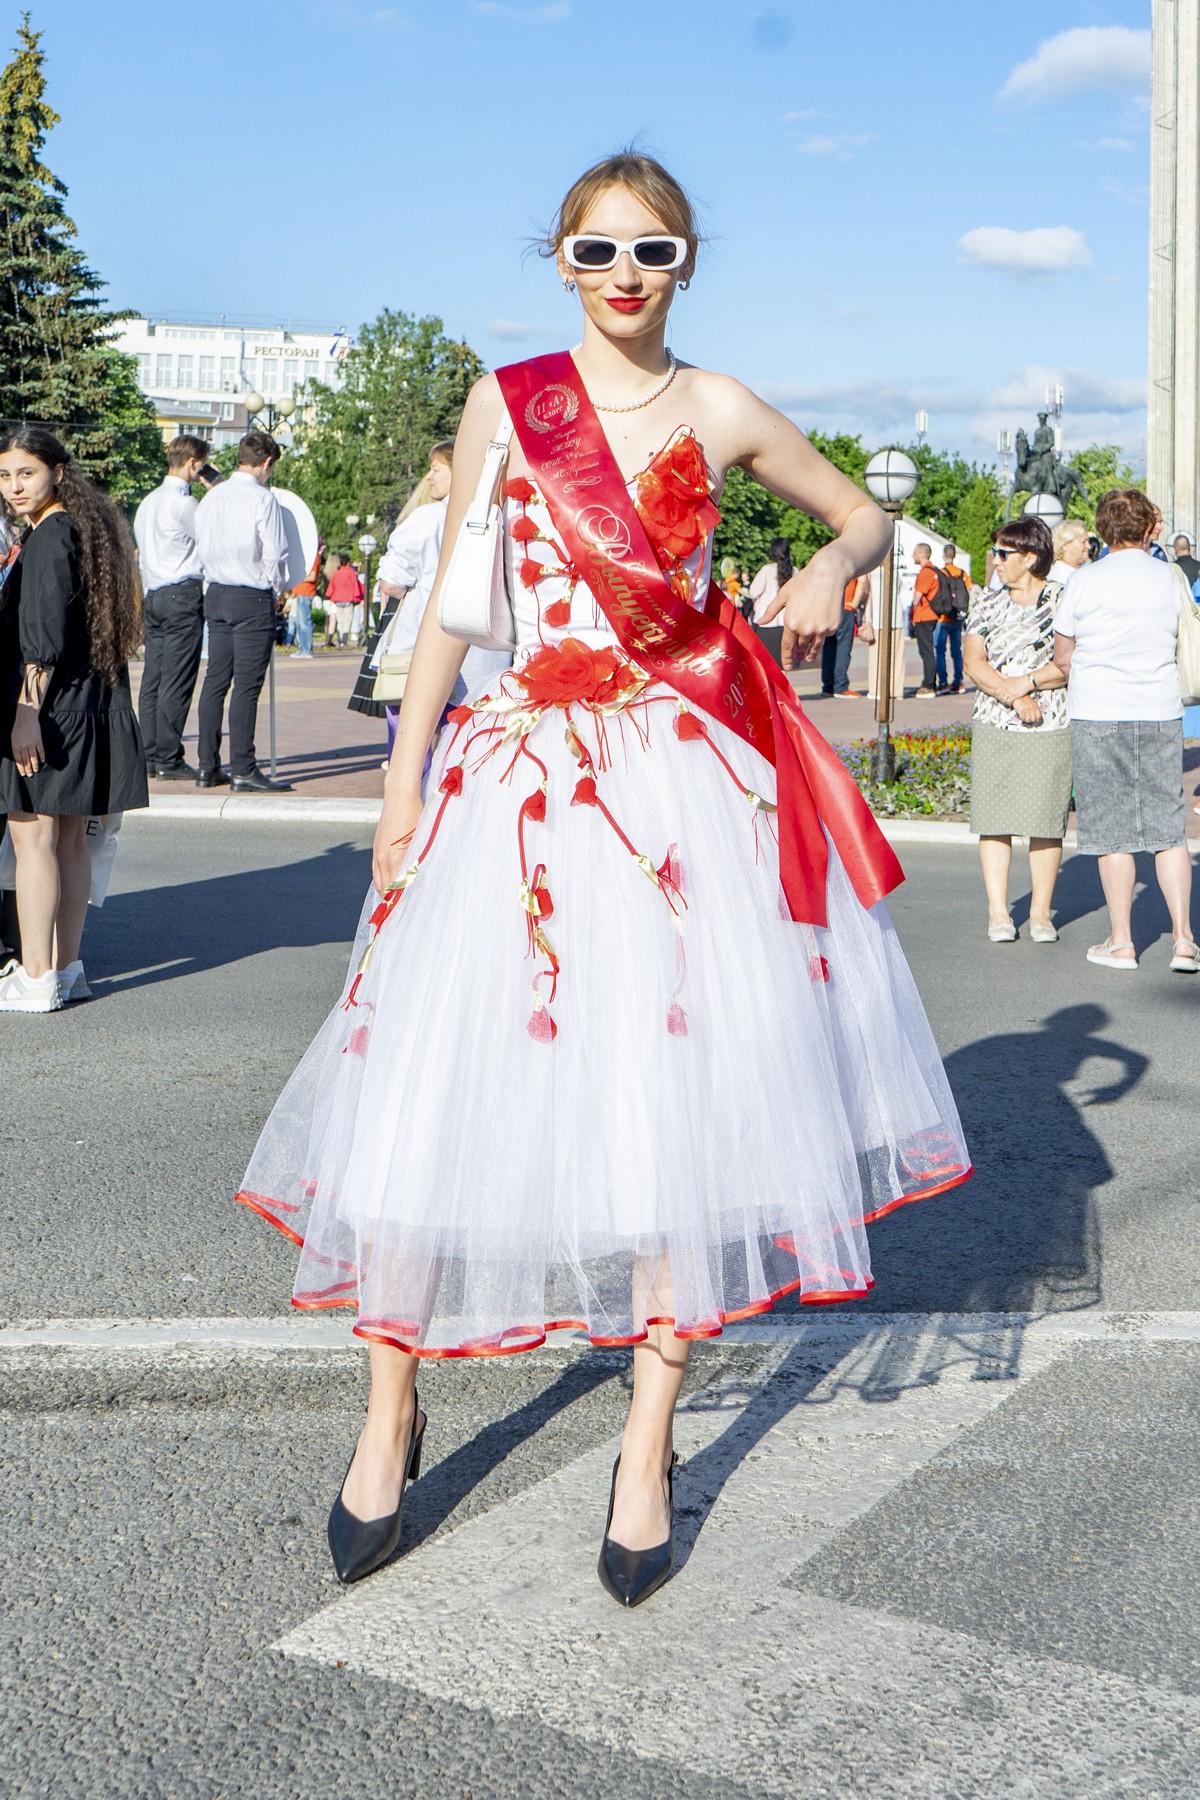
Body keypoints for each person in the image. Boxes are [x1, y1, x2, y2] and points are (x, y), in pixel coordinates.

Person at [235, 151, 968, 1605]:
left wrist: (835, 566)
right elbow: (458, 604)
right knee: (437, 1088)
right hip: (516, 778)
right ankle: (389, 1408)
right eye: (597, 252)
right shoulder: (511, 402)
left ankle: (649, 1438)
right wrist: (398, 781)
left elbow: (865, 516)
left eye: (653, 253)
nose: (625, 277)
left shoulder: (719, 404)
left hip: (678, 777)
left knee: (673, 1106)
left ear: (687, 263)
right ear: (559, 259)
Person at [0, 426, 148, 1011]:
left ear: (57, 472)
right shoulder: (86, 527)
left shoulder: (47, 538)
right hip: (87, 705)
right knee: (68, 841)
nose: (13, 486)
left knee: (32, 836)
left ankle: (35, 978)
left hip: (48, 708)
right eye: (5, 475)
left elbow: (41, 641)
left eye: (25, 473)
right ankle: (64, 971)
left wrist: (25, 715)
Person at [1052, 487, 1197, 973]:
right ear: (1149, 527)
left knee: (1112, 831)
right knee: (1167, 826)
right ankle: (1183, 939)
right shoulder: (1169, 576)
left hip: (1099, 709)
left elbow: (1063, 656)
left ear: (1102, 529)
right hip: (1158, 708)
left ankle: (1122, 942)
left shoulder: (1083, 581)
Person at [962, 516, 1071, 944]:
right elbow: (974, 662)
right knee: (995, 819)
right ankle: (998, 913)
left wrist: (1026, 685)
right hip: (995, 720)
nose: (997, 561)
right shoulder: (987, 603)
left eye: (1004, 554)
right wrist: (1013, 697)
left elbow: (1068, 663)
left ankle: (1042, 914)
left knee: (1046, 820)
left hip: (1051, 722)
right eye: (996, 553)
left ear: (1030, 557)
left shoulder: (1063, 600)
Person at [193, 431, 292, 794]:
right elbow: (275, 551)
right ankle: (244, 768)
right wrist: (277, 588)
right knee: (247, 686)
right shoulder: (262, 499)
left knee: (215, 680)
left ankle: (207, 765)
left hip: (216, 592)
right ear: (267, 463)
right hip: (251, 594)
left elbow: (200, 543)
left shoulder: (212, 499)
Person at [348, 443, 454, 758]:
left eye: (436, 469)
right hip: (474, 645)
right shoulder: (489, 514)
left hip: (420, 634)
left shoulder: (428, 517)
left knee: (410, 733)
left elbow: (391, 581)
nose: (429, 477)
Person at [134, 434, 209, 779]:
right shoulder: (185, 505)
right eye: (201, 465)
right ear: (193, 462)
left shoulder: (147, 502)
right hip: (181, 593)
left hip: (155, 594)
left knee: (153, 677)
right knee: (177, 679)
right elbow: (210, 539)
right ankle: (168, 757)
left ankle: (148, 754)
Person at [820, 573, 866, 697]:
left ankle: (828, 686)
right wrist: (855, 603)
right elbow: (862, 582)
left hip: (830, 608)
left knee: (829, 647)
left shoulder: (831, 559)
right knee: (843, 647)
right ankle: (840, 686)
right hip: (847, 606)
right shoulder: (854, 559)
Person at [933, 542, 970, 695]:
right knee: (956, 650)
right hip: (957, 617)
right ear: (954, 556)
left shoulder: (941, 573)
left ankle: (942, 682)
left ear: (944, 555)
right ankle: (958, 681)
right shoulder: (962, 573)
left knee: (940, 650)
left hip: (943, 617)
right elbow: (968, 590)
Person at [908, 543, 941, 696]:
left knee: (926, 651)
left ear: (921, 554)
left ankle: (928, 684)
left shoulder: (925, 572)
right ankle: (930, 682)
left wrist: (911, 611)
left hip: (924, 615)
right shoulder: (934, 570)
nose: (913, 556)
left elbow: (917, 597)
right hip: (931, 615)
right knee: (928, 650)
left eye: (915, 553)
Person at [284, 546, 322, 659]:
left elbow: (312, 576)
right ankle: (303, 649)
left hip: (306, 593)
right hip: (301, 592)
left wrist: (298, 578)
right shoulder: (310, 557)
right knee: (300, 622)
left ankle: (307, 649)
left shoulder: (314, 558)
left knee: (305, 622)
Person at [325, 552, 363, 646]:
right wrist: (358, 597)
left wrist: (329, 595)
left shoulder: (336, 573)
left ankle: (340, 639)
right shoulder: (351, 573)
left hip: (337, 599)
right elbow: (355, 586)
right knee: (347, 620)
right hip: (348, 599)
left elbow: (331, 586)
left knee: (340, 620)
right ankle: (343, 641)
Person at [1049, 517, 1090, 588]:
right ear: (1065, 545)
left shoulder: (1076, 575)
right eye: (1083, 542)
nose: (1088, 546)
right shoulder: (1060, 581)